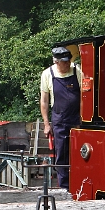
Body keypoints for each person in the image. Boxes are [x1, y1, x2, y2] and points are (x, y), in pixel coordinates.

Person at [40, 46, 82, 190]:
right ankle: (64, 188)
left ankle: (79, 185)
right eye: (64, 62)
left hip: (78, 120)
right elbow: (44, 101)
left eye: (69, 61)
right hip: (60, 121)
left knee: (80, 153)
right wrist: (46, 124)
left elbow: (85, 95)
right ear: (56, 61)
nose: (68, 64)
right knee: (62, 155)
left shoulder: (77, 71)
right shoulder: (47, 74)